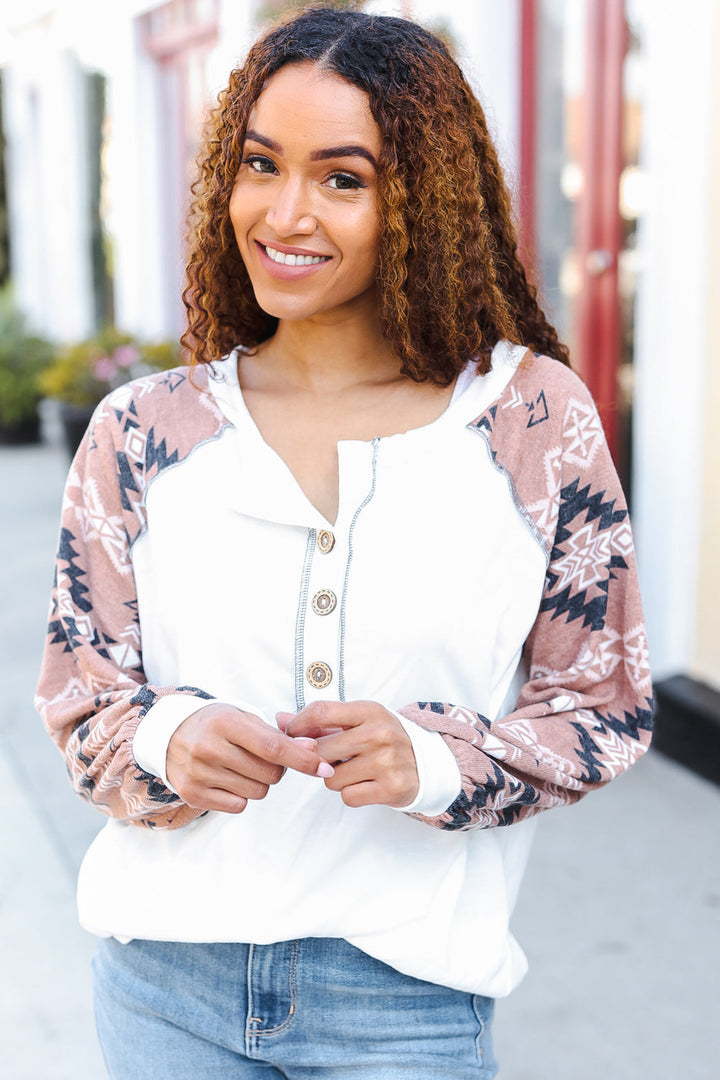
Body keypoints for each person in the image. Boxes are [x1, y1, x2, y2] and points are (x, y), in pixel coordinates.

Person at [36, 6, 653, 1078]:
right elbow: (79, 695)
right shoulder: (142, 431)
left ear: (423, 199)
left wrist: (437, 758)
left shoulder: (533, 421)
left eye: (343, 178)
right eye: (261, 164)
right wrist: (161, 741)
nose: (285, 212)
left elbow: (604, 706)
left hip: (406, 1001)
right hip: (163, 989)